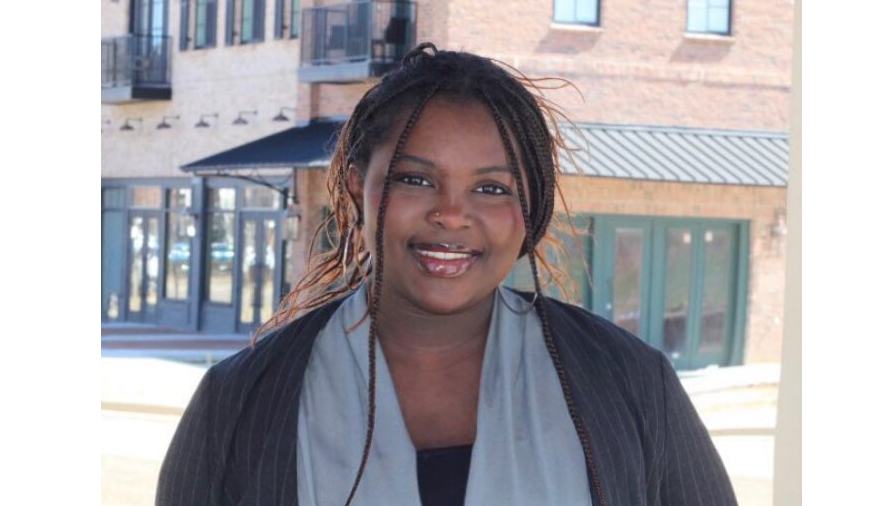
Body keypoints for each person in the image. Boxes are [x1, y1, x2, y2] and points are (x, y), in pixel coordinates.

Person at [156, 43, 737, 506]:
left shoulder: (629, 384)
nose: (452, 214)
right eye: (416, 178)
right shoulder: (239, 403)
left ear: (529, 206)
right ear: (360, 186)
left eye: (491, 187)